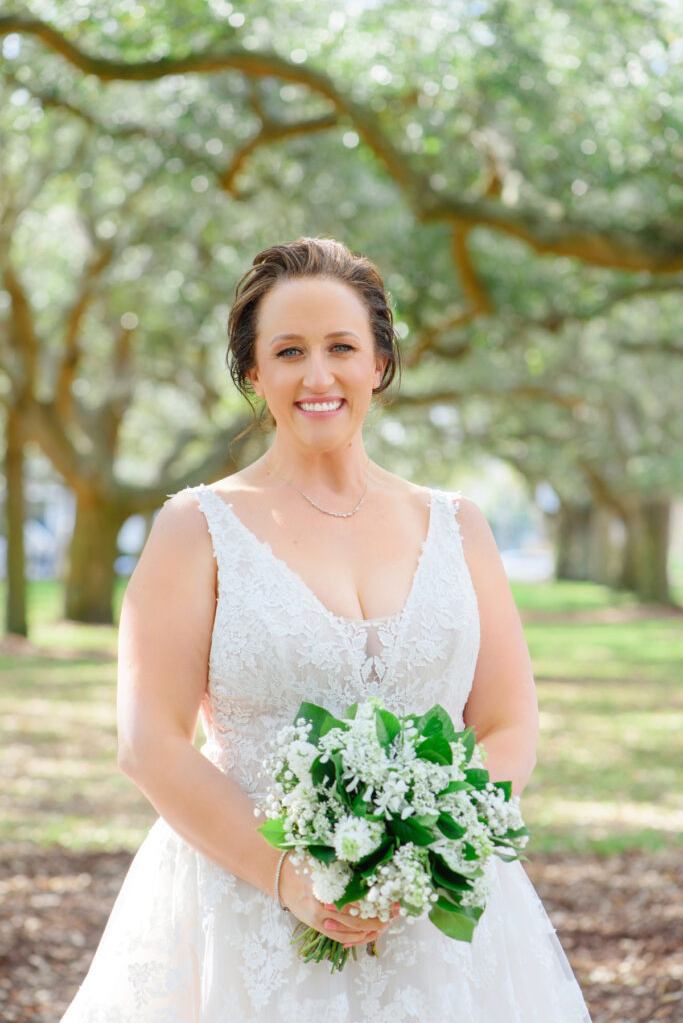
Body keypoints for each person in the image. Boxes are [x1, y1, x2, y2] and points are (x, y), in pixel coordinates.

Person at [60, 236, 592, 1021]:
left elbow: (508, 721)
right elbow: (150, 744)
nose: (318, 376)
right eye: (288, 351)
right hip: (245, 912)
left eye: (341, 346)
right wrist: (293, 881)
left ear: (378, 361)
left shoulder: (458, 526)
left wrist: (436, 845)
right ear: (252, 372)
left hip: (436, 921)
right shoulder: (194, 528)